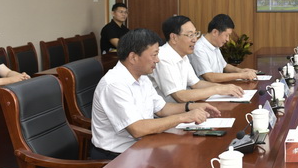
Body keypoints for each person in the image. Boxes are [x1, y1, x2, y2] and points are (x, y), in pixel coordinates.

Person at [90, 28, 222, 159]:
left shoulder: (142, 77)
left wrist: (191, 107)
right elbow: (137, 129)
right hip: (116, 157)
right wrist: (183, 117)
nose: (157, 60)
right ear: (133, 57)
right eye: (154, 55)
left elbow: (162, 109)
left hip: (143, 147)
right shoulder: (114, 84)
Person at [151, 15, 245, 102]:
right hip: (167, 112)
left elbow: (196, 84)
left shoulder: (183, 55)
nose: (195, 39)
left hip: (184, 108)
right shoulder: (162, 57)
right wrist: (218, 89)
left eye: (195, 34)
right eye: (190, 35)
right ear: (174, 38)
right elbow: (180, 96)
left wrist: (226, 88)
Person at [189, 14, 258, 83]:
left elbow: (224, 66)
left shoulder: (215, 45)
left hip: (219, 86)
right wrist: (241, 75)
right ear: (215, 32)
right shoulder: (199, 49)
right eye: (226, 35)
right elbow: (210, 77)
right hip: (208, 88)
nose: (228, 39)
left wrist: (240, 70)